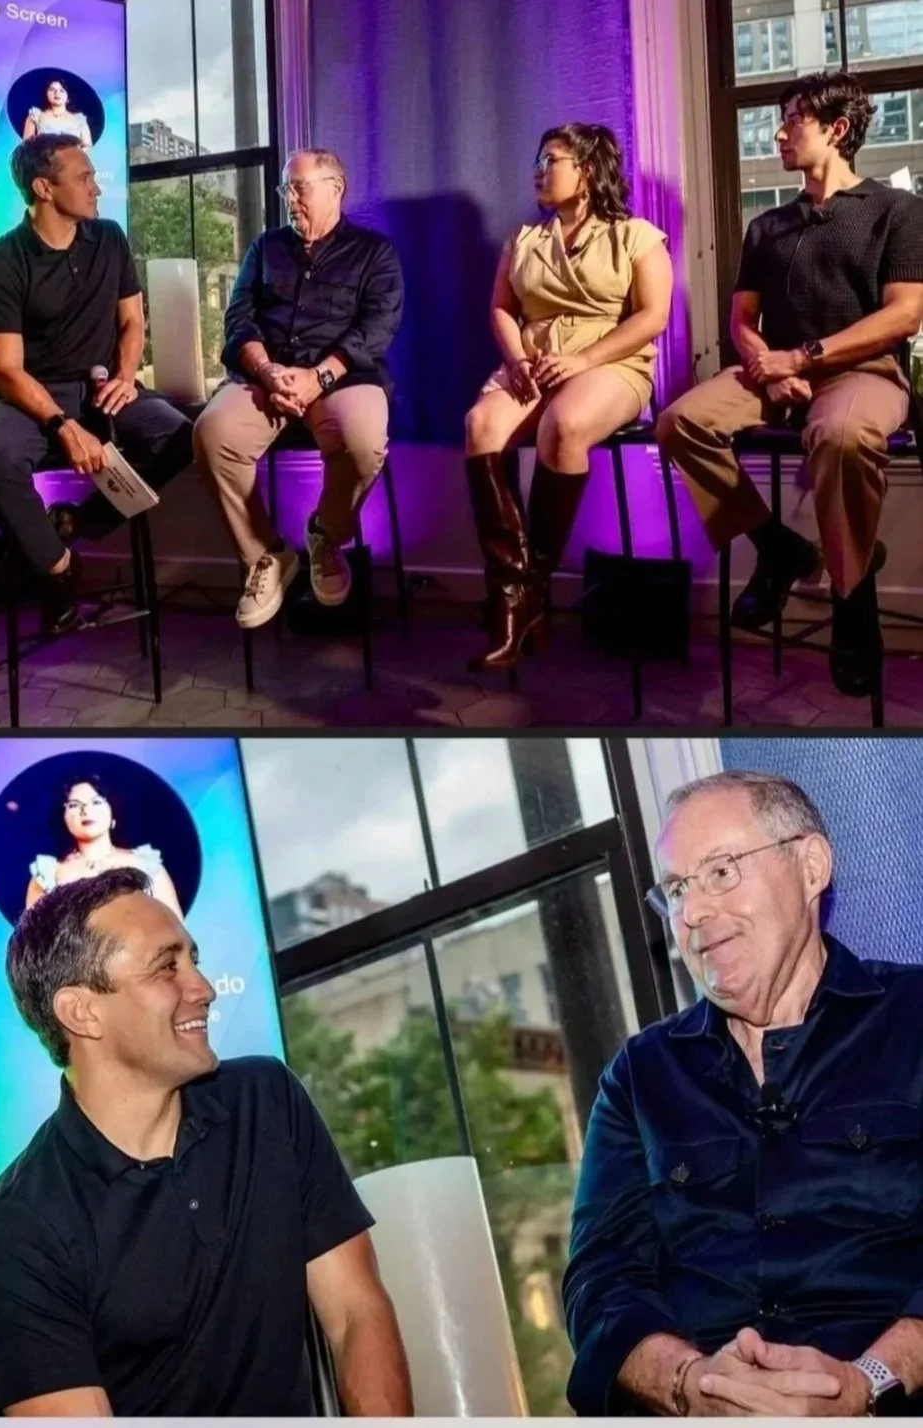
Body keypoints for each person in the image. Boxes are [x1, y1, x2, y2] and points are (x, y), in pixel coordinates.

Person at [0, 868, 413, 1417]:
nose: (203, 987)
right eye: (166, 967)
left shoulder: (266, 1100)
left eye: (193, 959)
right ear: (81, 1012)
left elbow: (354, 1314)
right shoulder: (15, 1228)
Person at [563, 769, 923, 1418]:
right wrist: (692, 1384)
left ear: (810, 866)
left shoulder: (916, 1018)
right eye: (676, 890)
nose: (693, 912)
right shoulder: (638, 1077)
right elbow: (601, 1286)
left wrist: (868, 1381)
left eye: (722, 872)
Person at [657, 71, 923, 699]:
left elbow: (905, 314)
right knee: (678, 423)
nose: (778, 130)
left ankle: (852, 603)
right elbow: (742, 321)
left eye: (794, 119)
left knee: (842, 432)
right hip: (773, 370)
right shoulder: (768, 227)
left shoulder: (898, 211)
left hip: (861, 373)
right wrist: (763, 363)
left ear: (836, 129)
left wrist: (800, 360)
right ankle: (778, 548)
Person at [0, 134, 195, 635]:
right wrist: (63, 426)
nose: (97, 187)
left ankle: (74, 525)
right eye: (85, 177)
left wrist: (127, 377)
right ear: (44, 188)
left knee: (180, 437)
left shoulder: (109, 238)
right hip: (28, 396)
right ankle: (57, 569)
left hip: (100, 388)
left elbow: (133, 322)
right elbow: (5, 370)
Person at [463, 122, 673, 671]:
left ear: (587, 169)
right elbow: (502, 309)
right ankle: (513, 591)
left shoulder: (637, 236)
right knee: (480, 425)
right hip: (534, 358)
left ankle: (529, 587)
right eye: (537, 159)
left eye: (551, 159)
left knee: (566, 424)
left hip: (611, 362)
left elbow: (654, 316)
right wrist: (516, 361)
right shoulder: (524, 239)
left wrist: (581, 360)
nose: (538, 168)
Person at [192, 148, 404, 631]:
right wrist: (267, 372)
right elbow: (238, 319)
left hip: (342, 378)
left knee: (364, 439)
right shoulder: (264, 248)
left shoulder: (375, 253)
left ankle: (326, 535)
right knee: (211, 433)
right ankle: (265, 554)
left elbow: (378, 327)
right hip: (268, 378)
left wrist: (317, 377)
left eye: (299, 187)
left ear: (335, 187)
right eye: (285, 189)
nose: (290, 198)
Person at [25, 775, 183, 918]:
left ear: (113, 811)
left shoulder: (147, 864)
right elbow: (33, 942)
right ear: (63, 817)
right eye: (74, 805)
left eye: (96, 802)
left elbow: (177, 931)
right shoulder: (47, 874)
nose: (85, 810)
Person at [23, 80, 92, 150]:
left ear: (68, 97)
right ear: (46, 94)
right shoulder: (36, 115)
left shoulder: (79, 119)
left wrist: (74, 157)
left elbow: (87, 145)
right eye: (52, 89)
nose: (57, 93)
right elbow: (27, 146)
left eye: (61, 90)